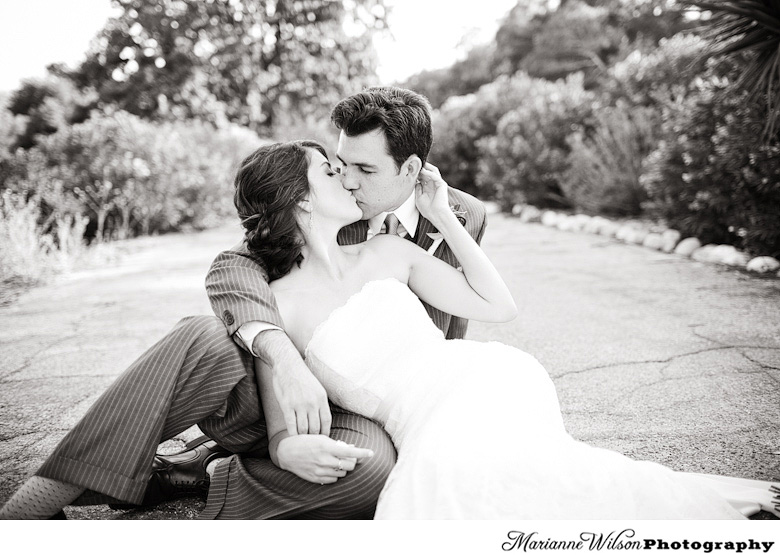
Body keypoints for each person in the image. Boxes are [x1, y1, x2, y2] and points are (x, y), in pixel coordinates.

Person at [0, 87, 488, 520]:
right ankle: (38, 499)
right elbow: (233, 267)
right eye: (339, 164)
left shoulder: (462, 214)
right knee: (206, 337)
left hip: (377, 404)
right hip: (288, 392)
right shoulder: (329, 211)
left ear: (410, 169)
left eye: (363, 169)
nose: (347, 177)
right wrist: (283, 356)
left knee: (372, 473)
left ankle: (206, 477)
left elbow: (454, 322)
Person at [225, 139, 780, 519]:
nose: (345, 177)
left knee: (457, 485)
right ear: (299, 199)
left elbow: (498, 304)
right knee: (464, 484)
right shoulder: (273, 306)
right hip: (415, 418)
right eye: (330, 170)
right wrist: (285, 450)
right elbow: (282, 421)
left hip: (482, 378)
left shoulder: (387, 251)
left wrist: (443, 215)